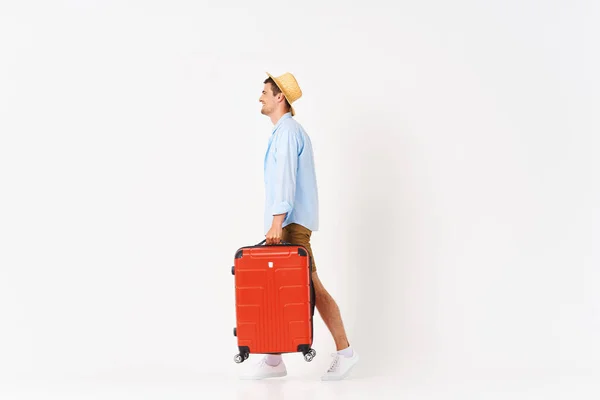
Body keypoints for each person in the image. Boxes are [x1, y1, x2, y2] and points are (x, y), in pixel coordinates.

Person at [240, 72, 359, 381]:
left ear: (281, 97)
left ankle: (345, 353)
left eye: (265, 92)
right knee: (279, 287)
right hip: (287, 223)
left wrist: (277, 222)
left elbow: (285, 179)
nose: (261, 97)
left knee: (312, 289)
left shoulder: (289, 131)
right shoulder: (283, 132)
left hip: (290, 225)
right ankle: (273, 360)